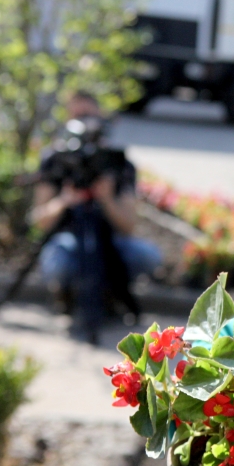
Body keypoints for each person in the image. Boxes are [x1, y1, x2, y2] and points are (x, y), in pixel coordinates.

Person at [30, 92, 161, 316]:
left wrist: (107, 198)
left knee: (147, 256)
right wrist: (64, 200)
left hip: (110, 241)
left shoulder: (115, 163)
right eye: (77, 116)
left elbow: (129, 227)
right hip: (67, 241)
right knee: (59, 263)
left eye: (89, 115)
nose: (84, 123)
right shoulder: (56, 159)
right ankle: (67, 293)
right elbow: (39, 220)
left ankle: (109, 293)